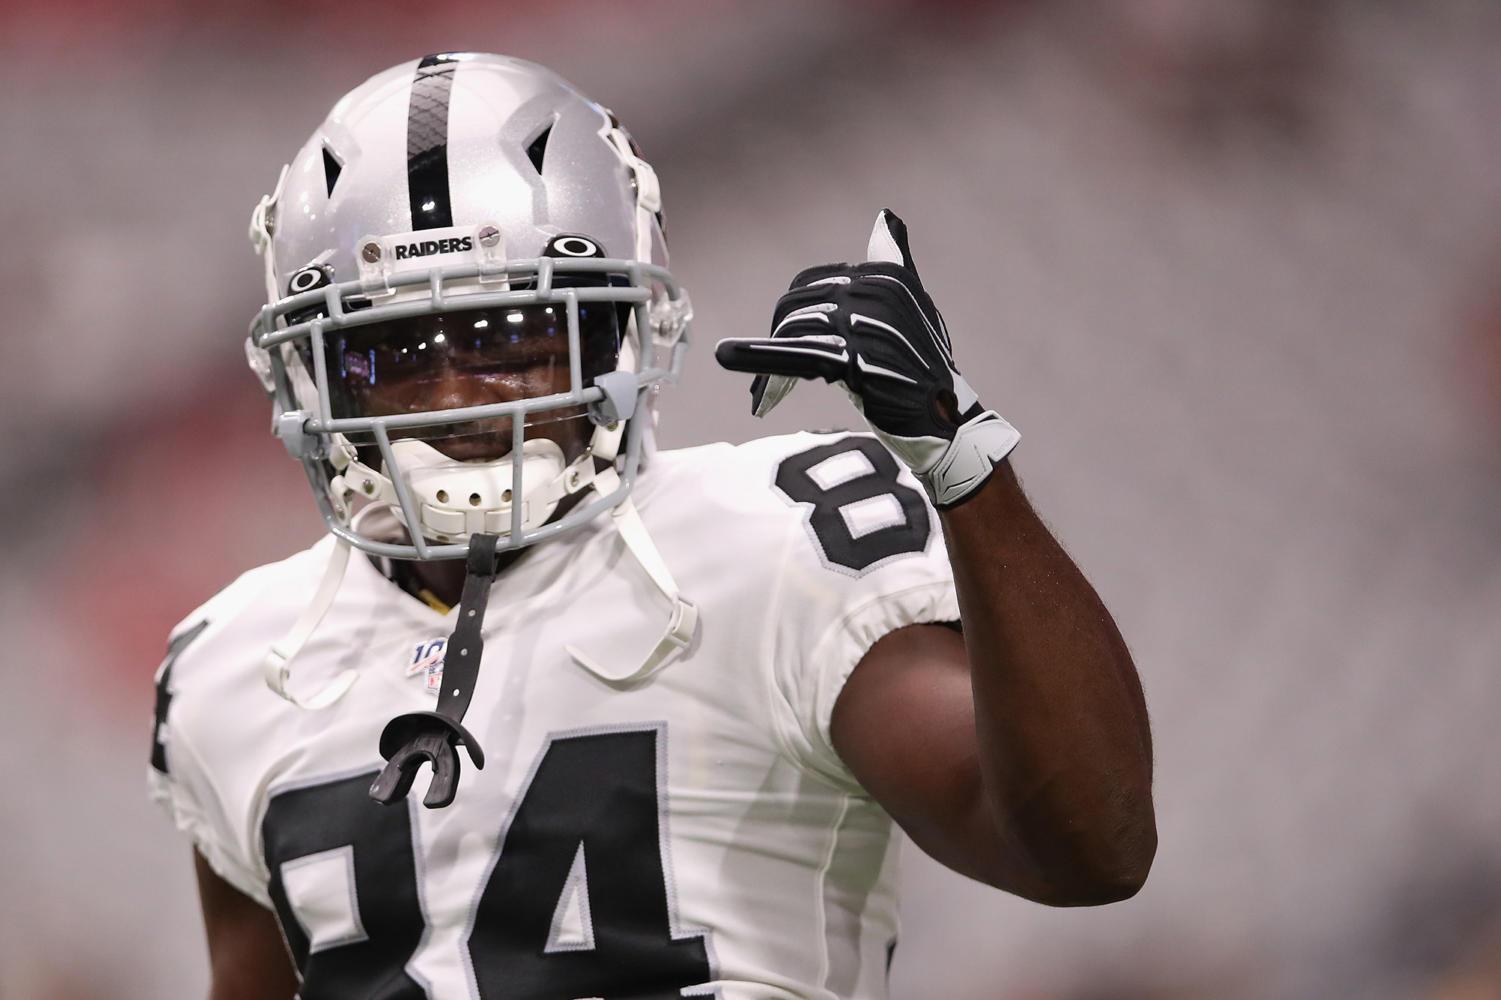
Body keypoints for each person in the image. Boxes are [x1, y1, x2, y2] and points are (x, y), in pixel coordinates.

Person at [148, 52, 1155, 1000]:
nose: (455, 399)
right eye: (393, 351)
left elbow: (1083, 850)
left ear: (616, 334)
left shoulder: (776, 539)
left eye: (513, 335)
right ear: (312, 377)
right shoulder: (232, 662)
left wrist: (964, 462)